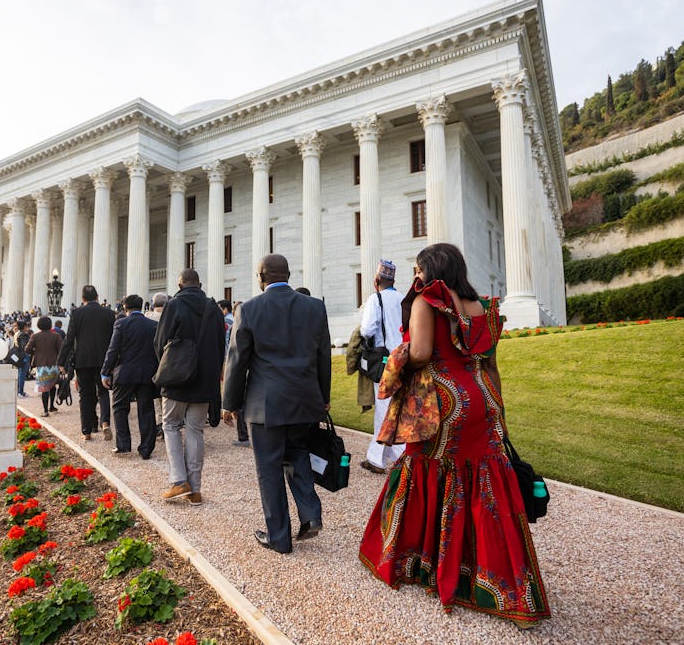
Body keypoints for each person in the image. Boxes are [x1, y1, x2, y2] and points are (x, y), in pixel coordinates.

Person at [359, 243, 550, 629]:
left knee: (423, 471)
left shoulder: (429, 300)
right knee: (486, 483)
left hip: (443, 402)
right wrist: (499, 413)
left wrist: (397, 356)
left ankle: (422, 561)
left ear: (431, 270)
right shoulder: (482, 307)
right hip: (483, 398)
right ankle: (512, 588)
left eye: (418, 268)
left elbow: (423, 352)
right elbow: (491, 365)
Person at [222, 254, 330, 554]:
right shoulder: (314, 307)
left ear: (261, 277)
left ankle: (278, 537)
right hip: (306, 400)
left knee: (269, 469)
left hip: (265, 404)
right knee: (298, 457)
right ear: (288, 274)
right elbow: (323, 357)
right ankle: (310, 515)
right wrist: (324, 398)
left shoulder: (249, 309)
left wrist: (229, 403)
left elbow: (236, 361)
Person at [153, 269, 225, 506]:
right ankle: (195, 489)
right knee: (195, 429)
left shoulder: (174, 305)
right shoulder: (213, 308)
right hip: (205, 379)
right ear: (200, 284)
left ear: (180, 284)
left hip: (177, 377)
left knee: (171, 425)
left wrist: (166, 365)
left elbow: (160, 341)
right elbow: (219, 346)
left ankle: (178, 481)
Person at [358, 259, 406, 475]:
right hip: (404, 358)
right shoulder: (403, 298)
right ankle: (380, 456)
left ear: (376, 280)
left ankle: (390, 458)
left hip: (385, 361)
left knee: (384, 409)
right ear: (393, 280)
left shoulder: (374, 299)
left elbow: (367, 329)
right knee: (399, 407)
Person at [101, 294, 159, 459]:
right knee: (146, 410)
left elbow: (113, 350)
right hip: (148, 373)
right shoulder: (153, 325)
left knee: (120, 408)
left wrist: (106, 371)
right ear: (141, 307)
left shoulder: (121, 323)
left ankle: (123, 445)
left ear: (125, 309)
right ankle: (146, 449)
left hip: (125, 373)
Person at [58, 285, 116, 441]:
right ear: (97, 297)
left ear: (83, 299)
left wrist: (61, 361)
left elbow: (69, 339)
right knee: (103, 391)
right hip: (104, 360)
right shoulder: (110, 313)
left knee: (85, 394)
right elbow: (114, 340)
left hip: (83, 360)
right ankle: (105, 422)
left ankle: (87, 431)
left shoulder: (77, 313)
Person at [217, 299, 249, 447]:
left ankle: (243, 437)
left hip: (238, 366)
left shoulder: (234, 326)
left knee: (240, 404)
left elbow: (233, 352)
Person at [145, 293, 169, 440]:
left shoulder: (146, 318)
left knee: (155, 399)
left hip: (150, 363)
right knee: (166, 396)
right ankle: (168, 425)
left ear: (153, 305)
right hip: (167, 363)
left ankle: (159, 423)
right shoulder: (171, 319)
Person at [27, 316, 63, 417]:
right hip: (54, 364)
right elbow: (61, 350)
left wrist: (36, 351)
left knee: (44, 389)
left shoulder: (35, 336)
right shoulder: (56, 336)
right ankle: (52, 406)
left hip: (41, 365)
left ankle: (45, 410)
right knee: (53, 386)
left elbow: (27, 349)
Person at [15, 321, 32, 397]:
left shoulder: (17, 334)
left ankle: (19, 391)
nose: (27, 328)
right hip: (23, 356)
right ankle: (20, 392)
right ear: (24, 327)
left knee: (19, 374)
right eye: (26, 326)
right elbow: (24, 347)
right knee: (22, 374)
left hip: (18, 356)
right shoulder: (23, 335)